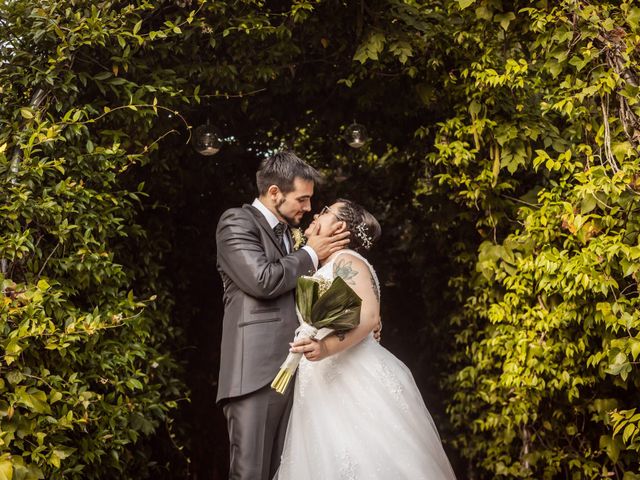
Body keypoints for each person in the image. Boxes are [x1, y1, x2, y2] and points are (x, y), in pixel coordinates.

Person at [276, 199, 457, 479]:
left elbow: (369, 316)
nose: (315, 213)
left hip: (349, 374)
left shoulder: (346, 261)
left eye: (324, 212)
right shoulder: (320, 268)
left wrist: (324, 346)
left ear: (340, 226)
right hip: (319, 381)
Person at [215, 152, 350, 480]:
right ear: (274, 192)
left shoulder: (291, 237)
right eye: (302, 199)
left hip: (296, 373)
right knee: (251, 474)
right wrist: (311, 253)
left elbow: (304, 297)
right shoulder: (236, 221)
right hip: (255, 373)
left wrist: (354, 322)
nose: (307, 208)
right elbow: (263, 280)